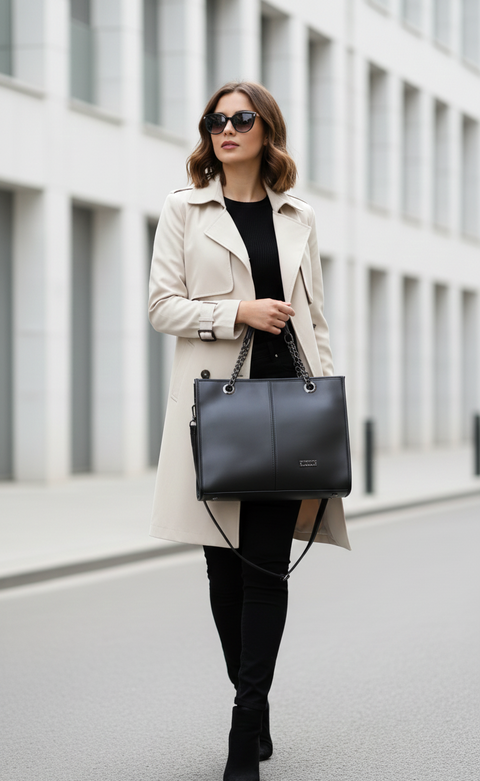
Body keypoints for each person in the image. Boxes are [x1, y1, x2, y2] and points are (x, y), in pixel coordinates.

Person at [148, 81, 350, 781]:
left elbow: (314, 317)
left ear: (267, 130)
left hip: (286, 410)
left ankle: (243, 725)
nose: (226, 129)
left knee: (265, 566)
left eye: (241, 118)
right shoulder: (183, 209)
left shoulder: (299, 216)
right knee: (223, 569)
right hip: (217, 410)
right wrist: (236, 312)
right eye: (215, 119)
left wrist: (327, 399)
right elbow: (162, 306)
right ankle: (255, 703)